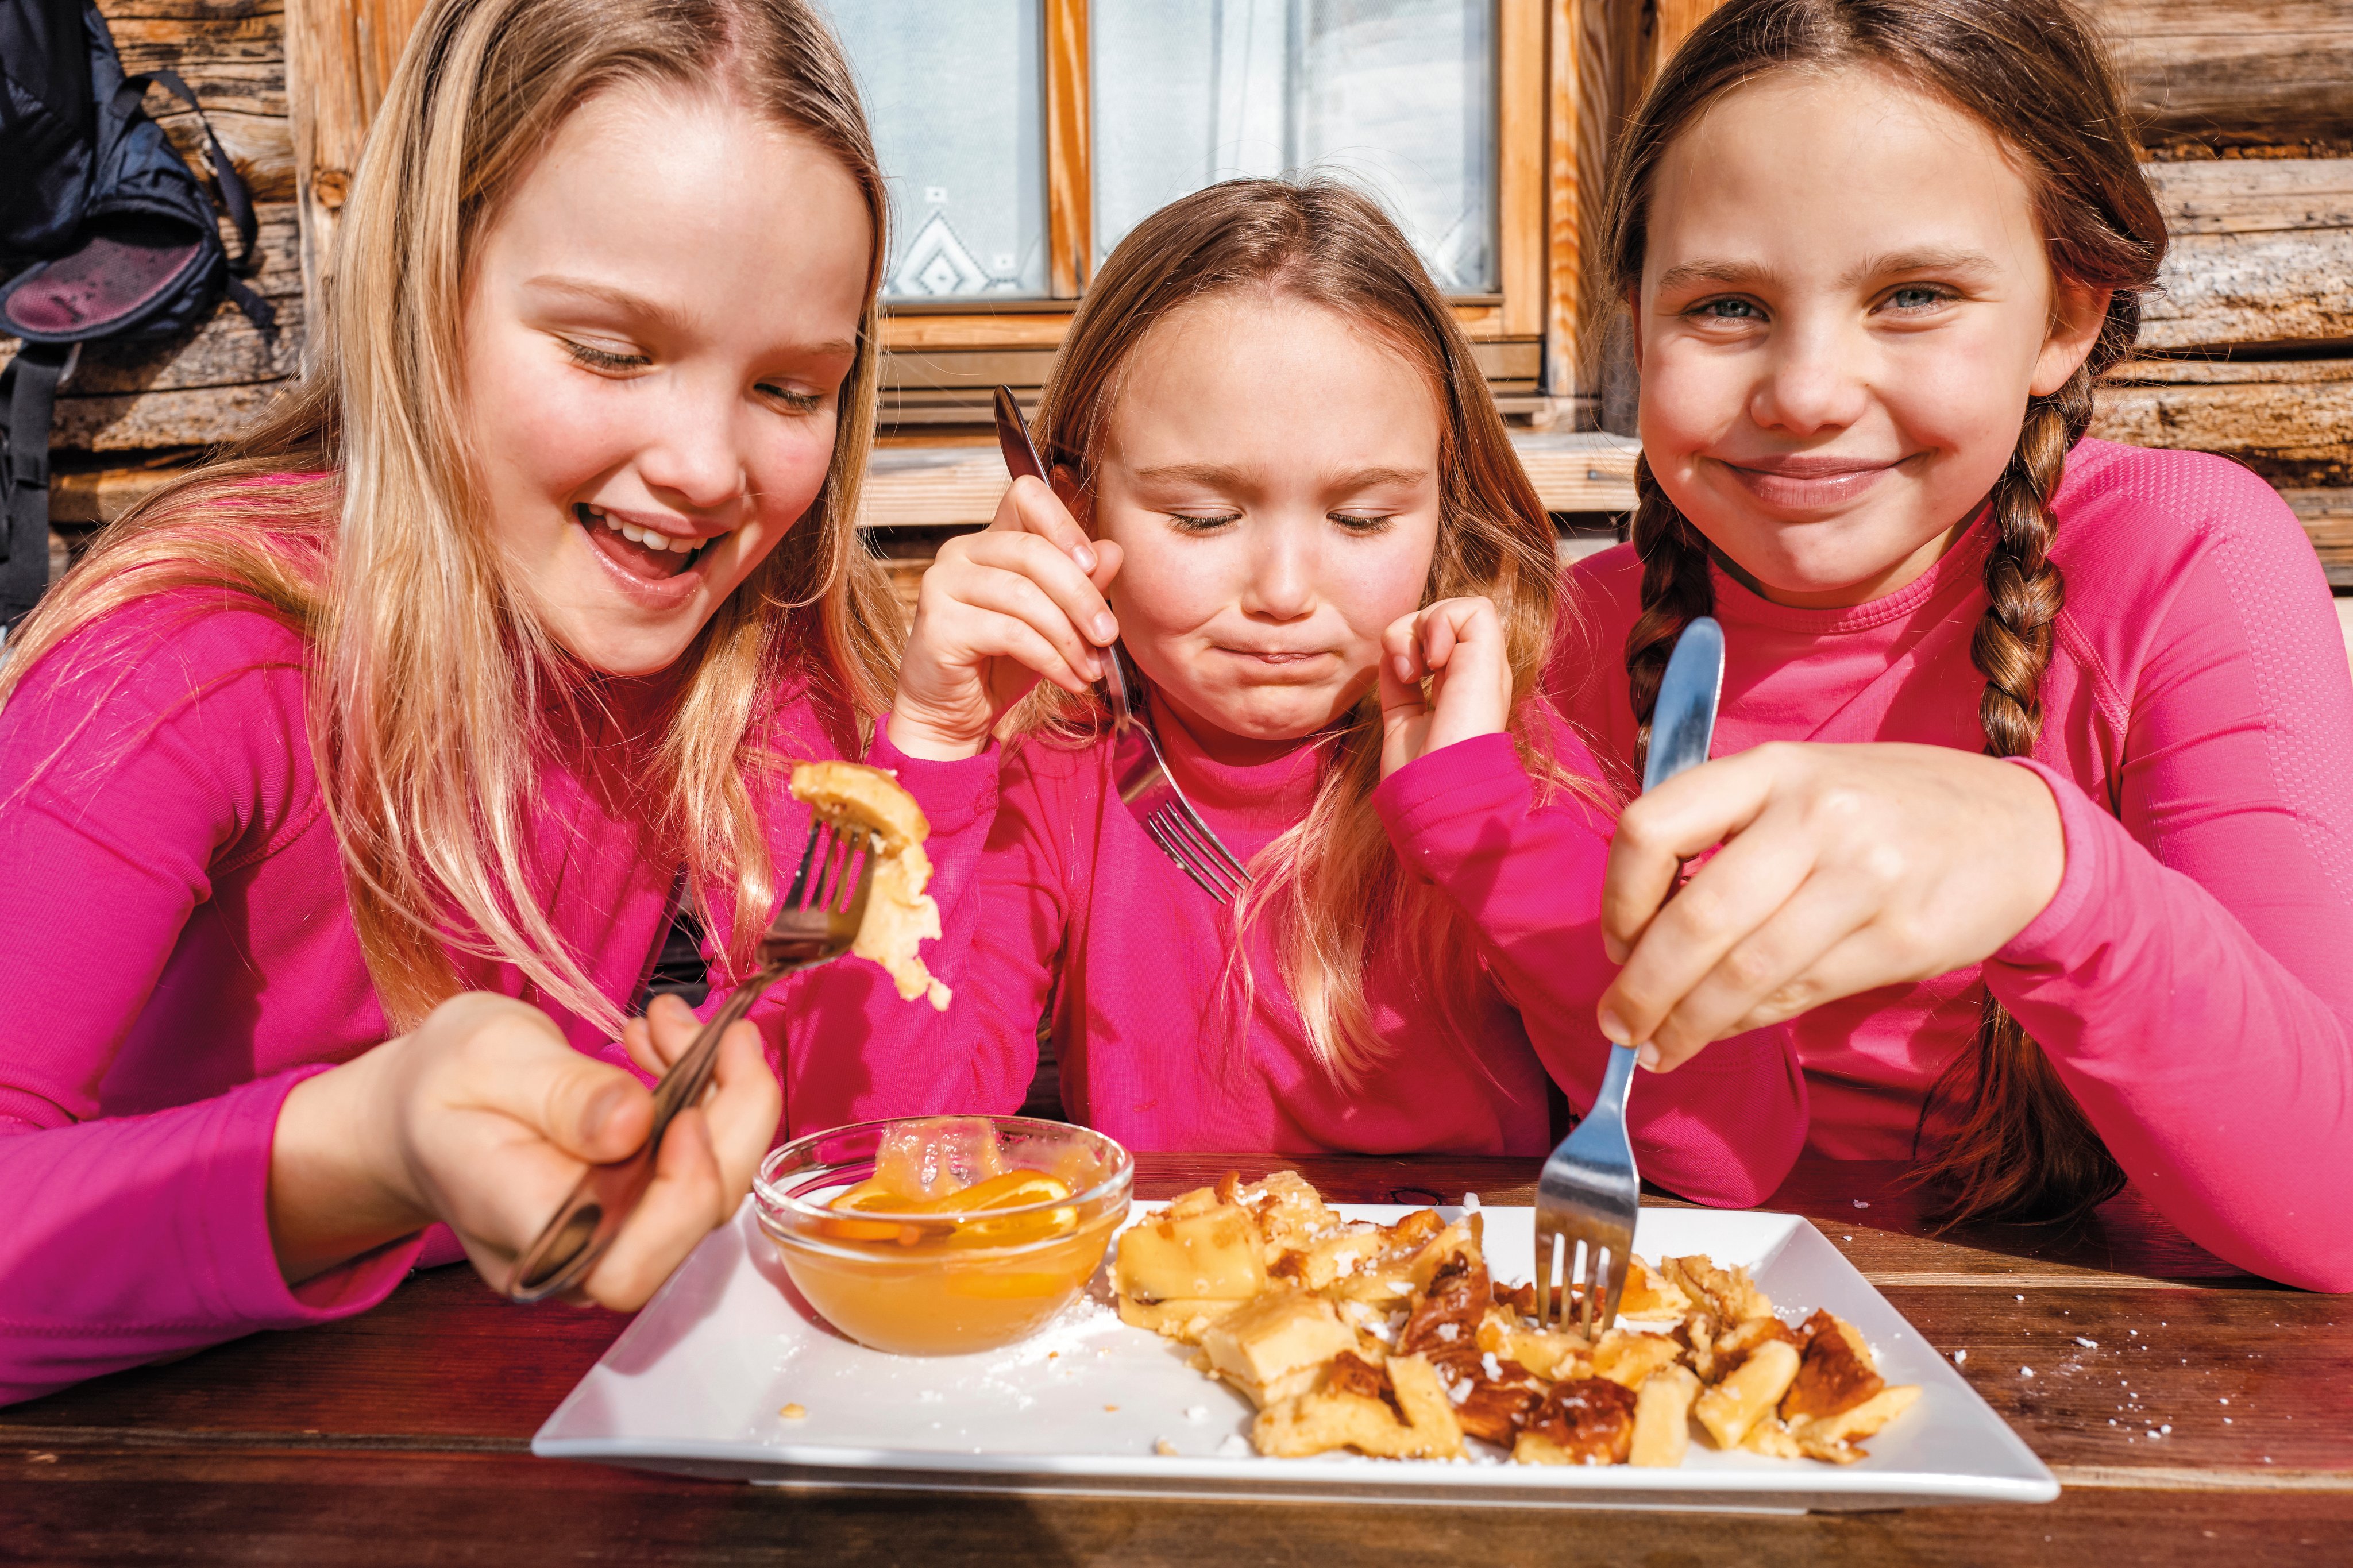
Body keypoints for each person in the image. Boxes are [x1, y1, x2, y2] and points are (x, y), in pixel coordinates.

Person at [0, 0, 993, 1405]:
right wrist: (361, 1151)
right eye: (609, 352)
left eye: (787, 386)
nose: (709, 466)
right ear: (426, 291)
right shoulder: (187, 664)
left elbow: (874, 1161)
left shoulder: (753, 674)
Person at [1559, 0, 2353, 1291]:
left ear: (2066, 317)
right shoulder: (1566, 638)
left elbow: (2337, 1208)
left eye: (1913, 294)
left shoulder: (2186, 561)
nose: (1807, 392)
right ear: (1633, 314)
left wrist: (2051, 869)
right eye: (1723, 307)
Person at [871, 179, 1804, 1198]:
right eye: (1200, 516)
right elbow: (885, 1155)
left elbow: (1730, 1150)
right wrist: (925, 754)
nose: (1283, 593)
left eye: (1360, 520)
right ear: (1075, 508)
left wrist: (1481, 817)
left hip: (1461, 1332)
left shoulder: (1503, 763)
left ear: (1446, 516)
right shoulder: (1058, 777)